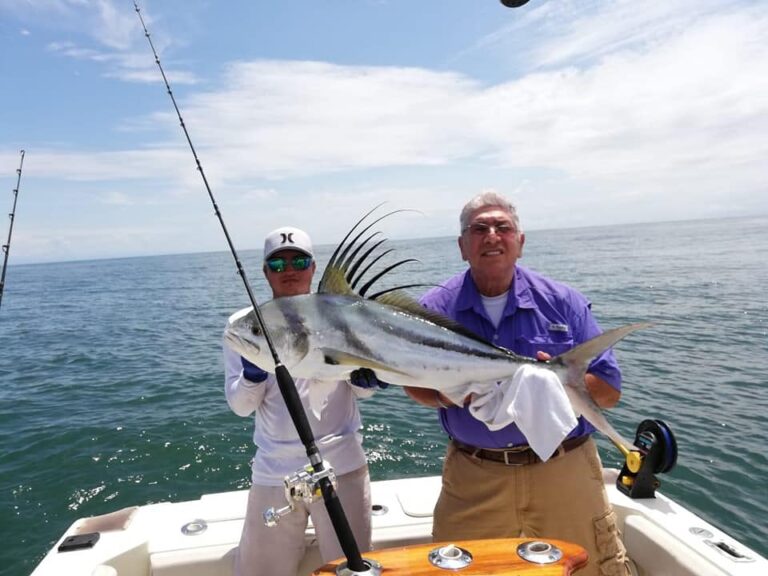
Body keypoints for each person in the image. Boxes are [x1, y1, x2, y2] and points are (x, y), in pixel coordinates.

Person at [404, 190, 630, 576]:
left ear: (520, 242)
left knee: (590, 568)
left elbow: (608, 393)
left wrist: (555, 384)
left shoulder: (563, 303)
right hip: (475, 475)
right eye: (479, 229)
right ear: (462, 246)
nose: (492, 235)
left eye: (502, 227)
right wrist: (443, 394)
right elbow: (413, 381)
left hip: (566, 470)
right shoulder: (432, 310)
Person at [223, 226, 384, 576]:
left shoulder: (343, 314)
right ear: (265, 273)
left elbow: (360, 390)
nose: (290, 270)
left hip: (341, 465)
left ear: (313, 267)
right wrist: (253, 375)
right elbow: (240, 405)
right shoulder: (244, 326)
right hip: (274, 471)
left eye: (299, 260)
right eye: (278, 265)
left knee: (352, 570)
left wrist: (368, 380)